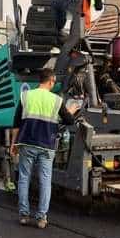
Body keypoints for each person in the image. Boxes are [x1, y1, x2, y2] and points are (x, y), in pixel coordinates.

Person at [10, 68, 80, 229]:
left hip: (27, 144)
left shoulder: (26, 96)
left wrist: (13, 144)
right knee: (45, 182)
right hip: (47, 146)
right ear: (50, 81)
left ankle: (24, 215)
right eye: (54, 82)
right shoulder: (56, 100)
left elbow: (16, 123)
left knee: (24, 179)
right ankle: (41, 218)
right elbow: (69, 121)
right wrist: (71, 111)